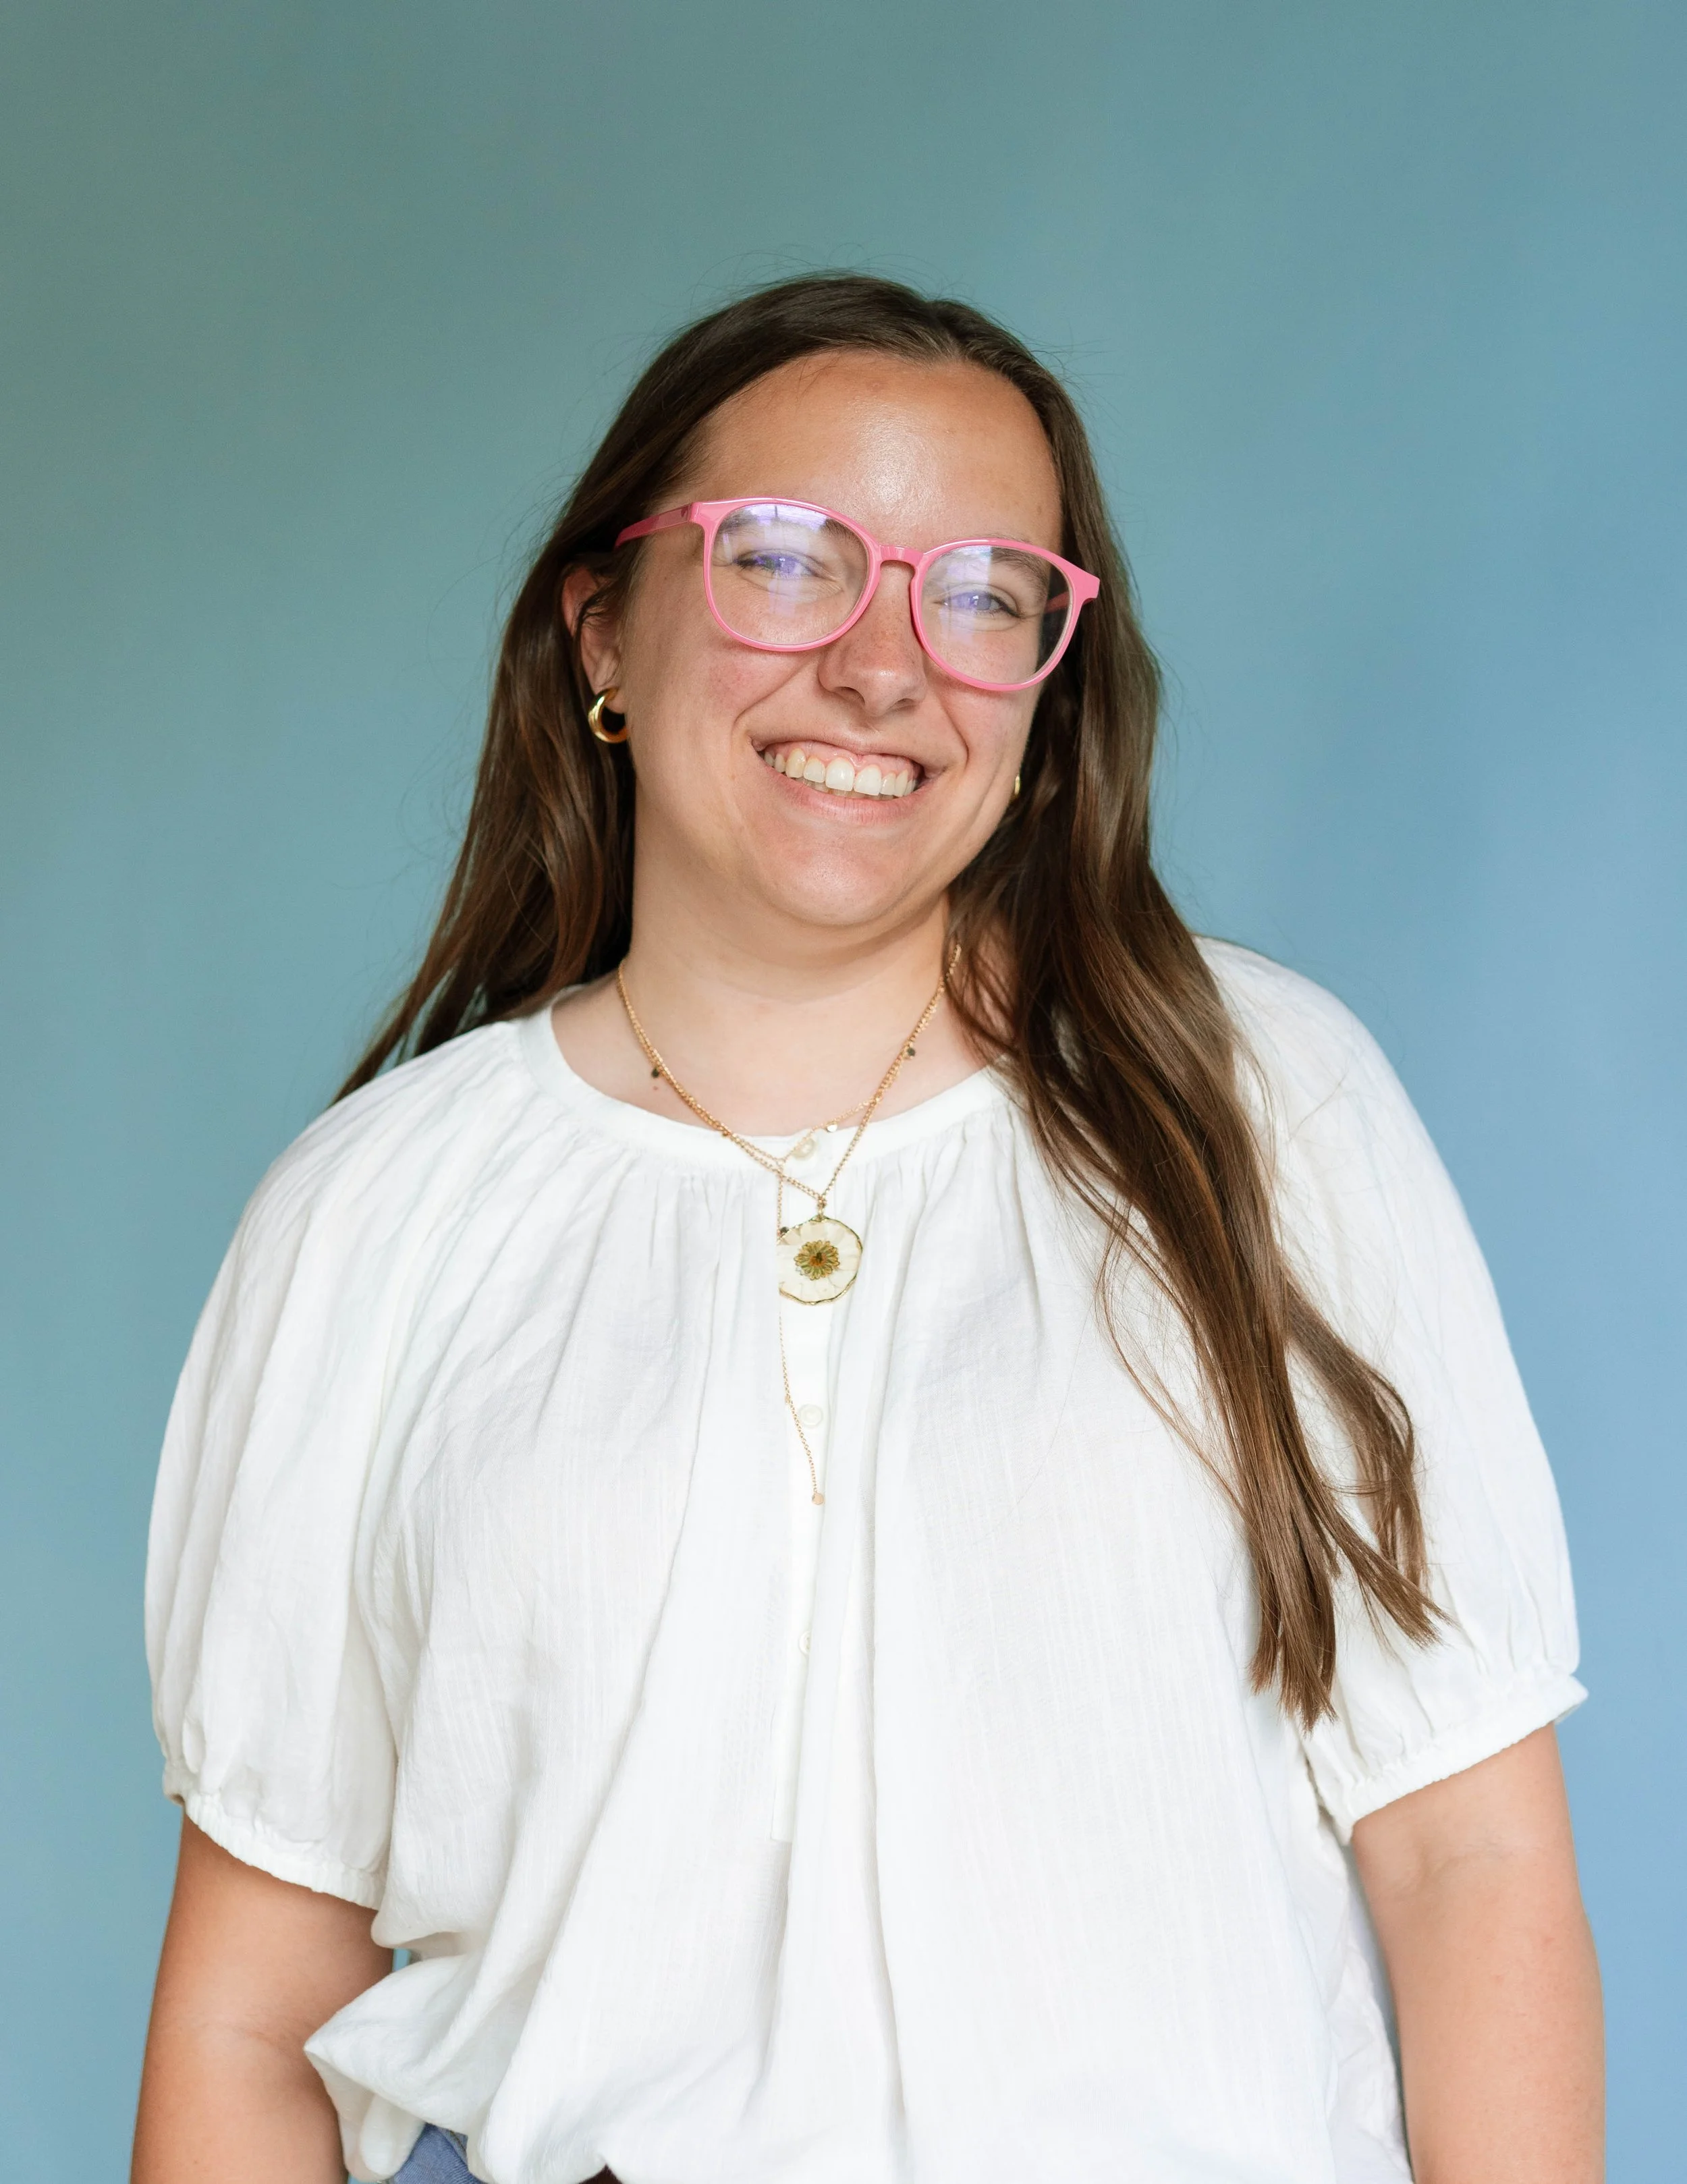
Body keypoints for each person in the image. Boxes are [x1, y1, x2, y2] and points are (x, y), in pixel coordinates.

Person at [132, 274, 1602, 2184]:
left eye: (983, 595)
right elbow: (250, 2015)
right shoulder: (373, 1215)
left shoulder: (1255, 1103)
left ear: (1046, 691)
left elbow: (1469, 1856)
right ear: (603, 627)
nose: (883, 669)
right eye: (784, 561)